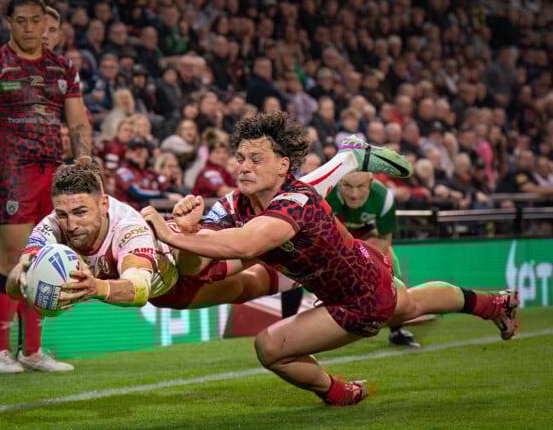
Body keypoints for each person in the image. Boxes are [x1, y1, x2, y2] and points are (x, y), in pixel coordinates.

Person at [140, 112, 519, 407]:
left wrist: (171, 234)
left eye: (256, 158)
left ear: (282, 165)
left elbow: (245, 242)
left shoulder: (297, 201)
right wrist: (188, 237)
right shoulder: (231, 203)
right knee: (412, 304)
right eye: (240, 158)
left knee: (270, 347)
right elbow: (197, 266)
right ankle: (496, 304)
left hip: (359, 297)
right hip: (336, 275)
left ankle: (339, 393)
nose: (244, 166)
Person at [8, 135, 414, 314]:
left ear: (102, 205)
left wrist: (94, 287)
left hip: (189, 258)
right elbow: (16, 277)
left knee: (270, 227)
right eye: (64, 214)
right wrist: (26, 280)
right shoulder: (53, 224)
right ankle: (349, 276)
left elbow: (138, 287)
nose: (70, 224)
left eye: (80, 213)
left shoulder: (129, 229)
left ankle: (347, 160)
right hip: (173, 290)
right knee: (250, 285)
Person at [0, 0, 91, 374]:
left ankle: (31, 351)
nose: (30, 28)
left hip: (51, 175)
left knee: (42, 258)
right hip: (10, 173)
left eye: (36, 21)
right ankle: (0, 352)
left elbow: (78, 121)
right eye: (22, 21)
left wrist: (85, 163)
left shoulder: (63, 67)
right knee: (10, 260)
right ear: (8, 22)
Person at [326, 171, 423, 347]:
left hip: (366, 234)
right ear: (339, 182)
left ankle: (397, 330)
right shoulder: (325, 192)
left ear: (370, 184)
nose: (354, 194)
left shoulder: (383, 198)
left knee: (391, 267)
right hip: (331, 239)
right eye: (347, 186)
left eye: (360, 187)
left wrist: (374, 266)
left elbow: (385, 237)